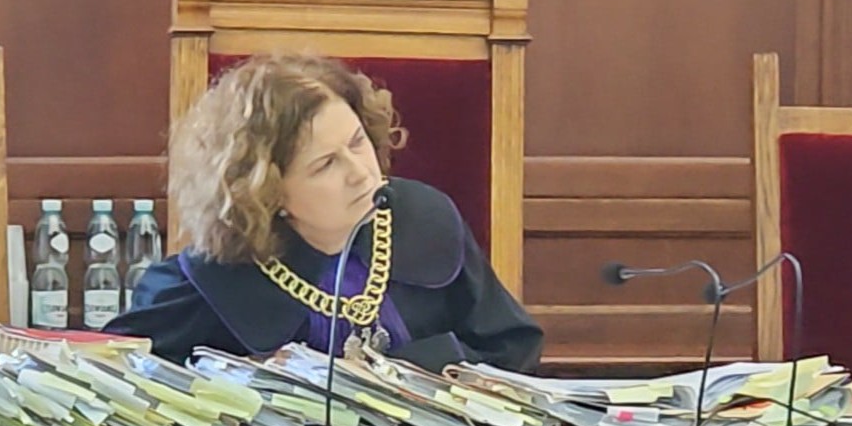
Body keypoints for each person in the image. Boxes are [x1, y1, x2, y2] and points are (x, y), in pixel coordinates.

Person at [103, 54, 542, 374]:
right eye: (325, 164)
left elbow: (512, 351)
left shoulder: (426, 220)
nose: (360, 173)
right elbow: (122, 374)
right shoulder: (206, 278)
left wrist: (411, 370)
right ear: (267, 192)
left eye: (357, 142)